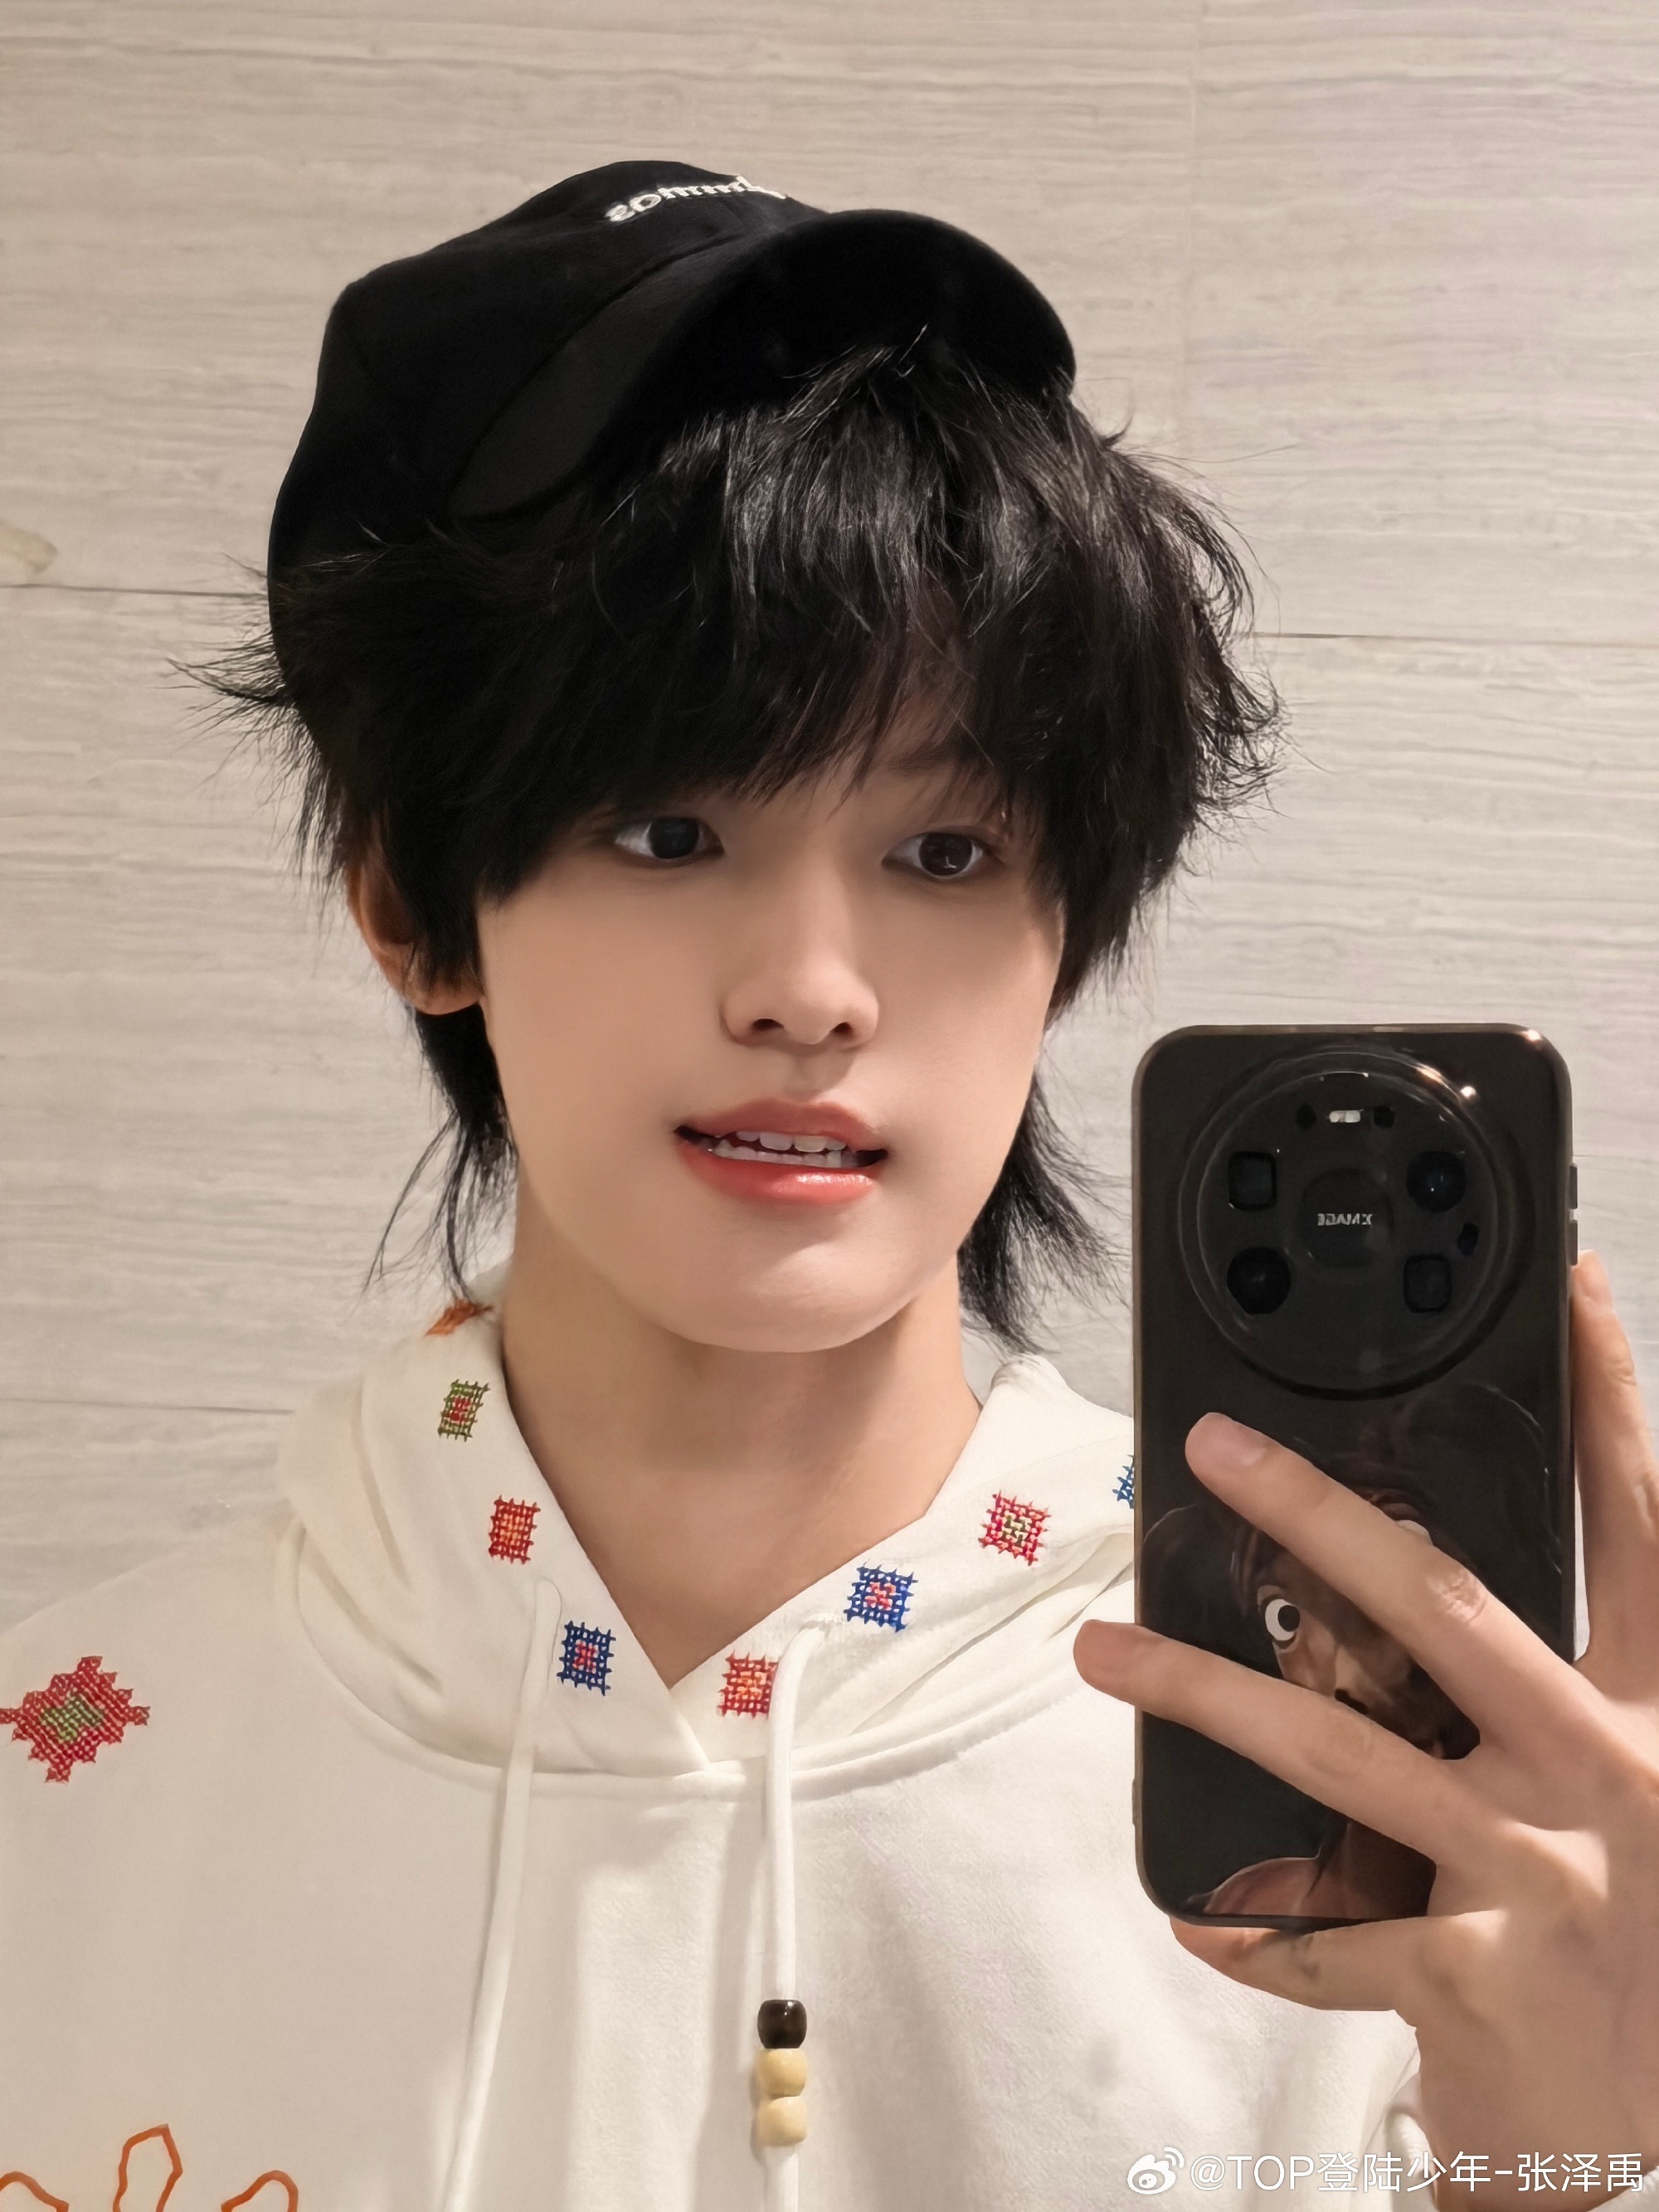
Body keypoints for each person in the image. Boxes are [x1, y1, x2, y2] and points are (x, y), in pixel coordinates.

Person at [2, 161, 1655, 2212]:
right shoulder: (68, 1777)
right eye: (667, 831)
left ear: (1069, 936)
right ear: (416, 906)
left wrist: (1574, 2152)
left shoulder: (1361, 1806)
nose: (809, 987)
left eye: (945, 851)